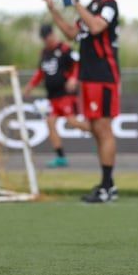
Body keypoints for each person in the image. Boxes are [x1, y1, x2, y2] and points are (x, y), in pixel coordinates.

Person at [45, 0, 121, 203]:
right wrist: (53, 9)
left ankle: (108, 187)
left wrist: (76, 3)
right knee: (97, 131)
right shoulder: (88, 7)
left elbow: (98, 26)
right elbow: (70, 33)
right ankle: (105, 185)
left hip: (104, 75)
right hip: (88, 77)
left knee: (103, 129)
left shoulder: (108, 3)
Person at [23, 24, 90, 168]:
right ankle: (60, 157)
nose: (48, 40)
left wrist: (73, 78)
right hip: (52, 96)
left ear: (53, 35)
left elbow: (78, 65)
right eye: (45, 39)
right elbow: (40, 72)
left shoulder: (65, 49)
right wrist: (30, 86)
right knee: (50, 122)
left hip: (66, 94)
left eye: (49, 37)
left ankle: (97, 132)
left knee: (72, 122)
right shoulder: (44, 53)